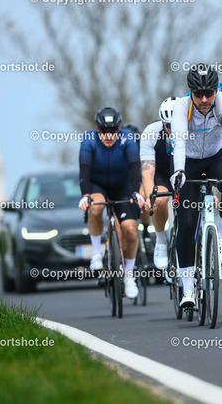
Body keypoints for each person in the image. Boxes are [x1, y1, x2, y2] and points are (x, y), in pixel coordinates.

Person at [170, 64, 222, 307]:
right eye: (198, 94)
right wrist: (179, 171)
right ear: (190, 92)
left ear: (216, 90)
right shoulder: (181, 106)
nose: (204, 99)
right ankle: (188, 289)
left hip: (216, 156)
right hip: (189, 161)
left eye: (209, 93)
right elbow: (179, 143)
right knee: (186, 223)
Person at [78, 107, 145, 299]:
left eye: (113, 131)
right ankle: (96, 254)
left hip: (122, 186)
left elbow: (135, 168)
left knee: (131, 231)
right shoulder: (88, 140)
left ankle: (129, 277)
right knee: (96, 207)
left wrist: (136, 192)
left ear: (119, 128)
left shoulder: (128, 139)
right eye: (104, 131)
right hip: (98, 185)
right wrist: (85, 195)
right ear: (97, 129)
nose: (108, 136)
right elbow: (84, 171)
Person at [140, 97, 177, 269]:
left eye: (177, 125)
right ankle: (161, 241)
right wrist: (150, 198)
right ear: (162, 123)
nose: (173, 130)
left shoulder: (194, 130)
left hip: (187, 172)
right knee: (159, 200)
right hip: (162, 173)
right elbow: (147, 173)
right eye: (169, 126)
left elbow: (206, 165)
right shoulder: (151, 132)